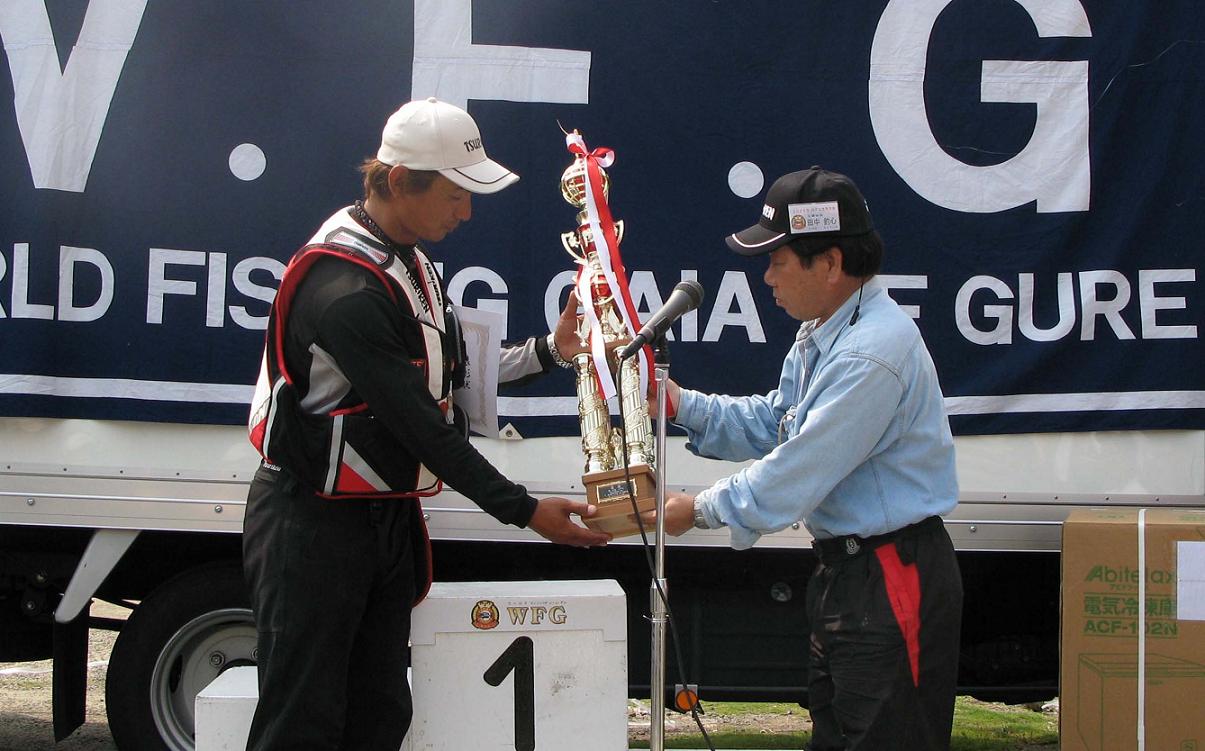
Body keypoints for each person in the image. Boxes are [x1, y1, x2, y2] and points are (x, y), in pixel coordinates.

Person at [242, 97, 610, 751]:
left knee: (381, 712)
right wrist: (526, 511)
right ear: (396, 181)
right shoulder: (345, 289)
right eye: (454, 195)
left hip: (379, 520)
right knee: (300, 723)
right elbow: (422, 428)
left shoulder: (407, 259)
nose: (465, 213)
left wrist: (551, 351)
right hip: (311, 527)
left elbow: (447, 376)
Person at [652, 168, 962, 750]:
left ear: (831, 263)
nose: (767, 277)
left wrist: (698, 509)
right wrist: (679, 404)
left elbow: (799, 467)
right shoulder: (828, 330)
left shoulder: (871, 352)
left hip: (889, 578)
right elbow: (779, 421)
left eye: (777, 261)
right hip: (851, 575)